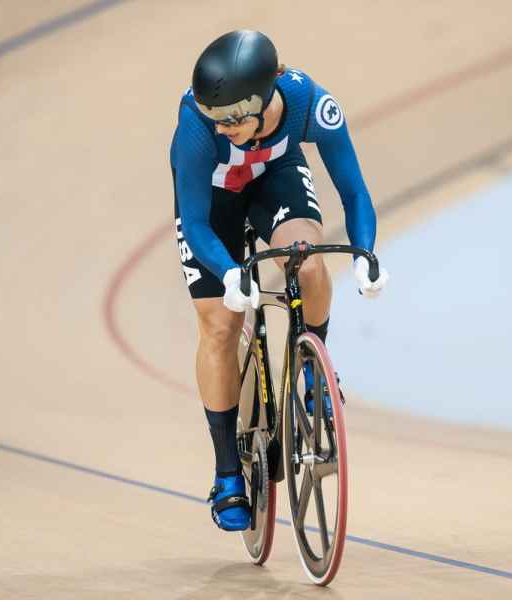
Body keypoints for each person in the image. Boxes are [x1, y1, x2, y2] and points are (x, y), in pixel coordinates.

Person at [169, 30, 389, 531]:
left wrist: (365, 254)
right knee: (220, 327)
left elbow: (354, 191)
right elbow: (196, 223)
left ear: (264, 98)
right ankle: (227, 472)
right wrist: (229, 272)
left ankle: (313, 370)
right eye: (215, 117)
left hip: (275, 177)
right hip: (213, 202)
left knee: (307, 262)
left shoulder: (309, 103)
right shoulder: (197, 127)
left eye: (232, 119)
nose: (222, 127)